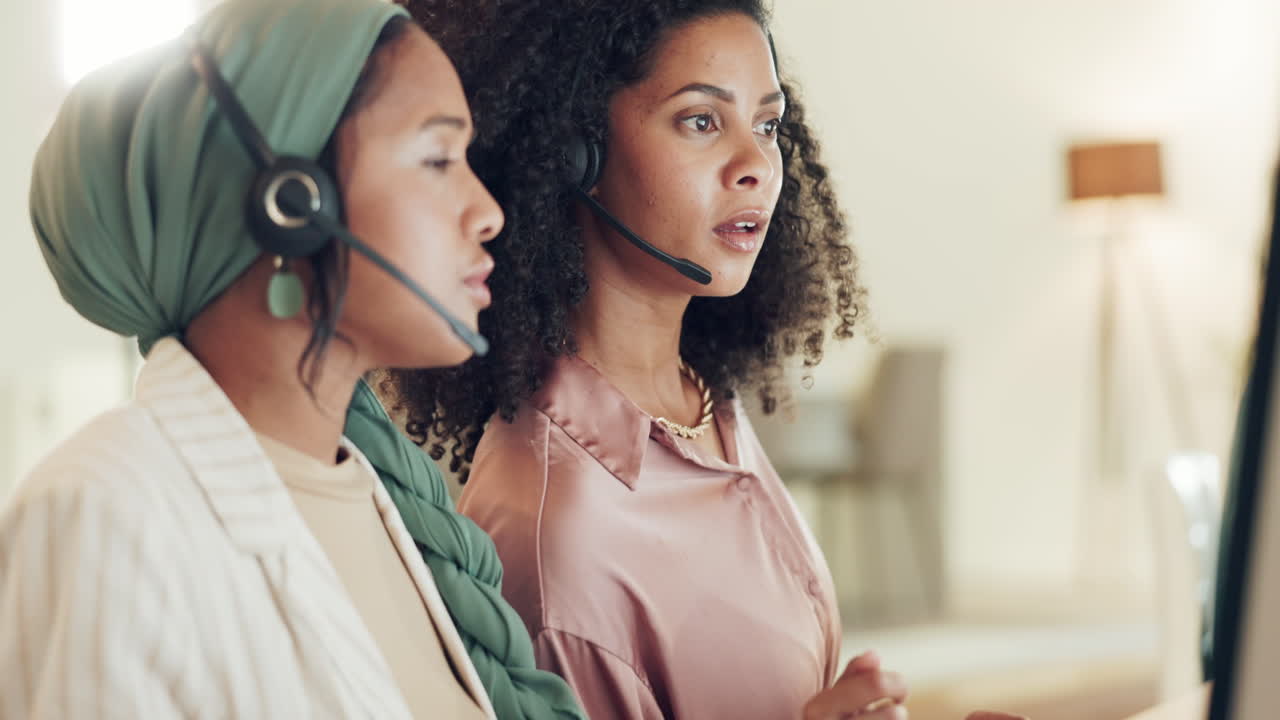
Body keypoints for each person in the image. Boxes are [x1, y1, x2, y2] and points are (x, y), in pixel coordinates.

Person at [0, 0, 582, 717]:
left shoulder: (367, 493)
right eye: (438, 158)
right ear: (291, 203)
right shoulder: (108, 511)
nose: (488, 211)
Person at [386, 0, 915, 718]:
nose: (757, 163)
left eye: (767, 124)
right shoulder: (561, 544)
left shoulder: (701, 403)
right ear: (577, 153)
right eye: (701, 121)